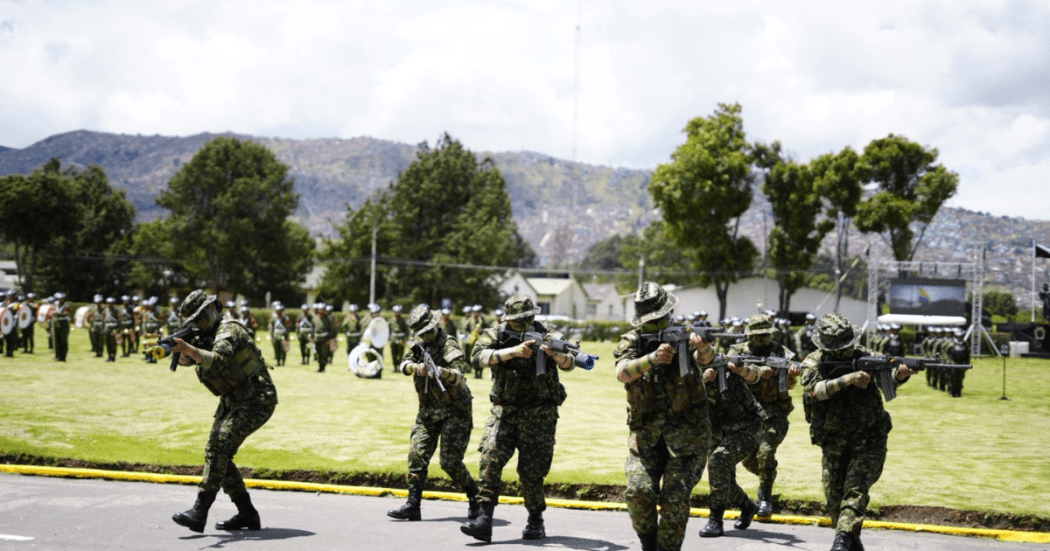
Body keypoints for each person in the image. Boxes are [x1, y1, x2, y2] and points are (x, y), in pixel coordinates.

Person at [460, 294, 576, 543]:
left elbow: (571, 362)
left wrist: (556, 355)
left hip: (540, 413)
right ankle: (484, 520)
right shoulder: (496, 334)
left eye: (528, 320)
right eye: (518, 321)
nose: (523, 326)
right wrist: (512, 352)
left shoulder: (548, 334)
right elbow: (477, 357)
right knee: (489, 459)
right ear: (508, 319)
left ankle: (536, 519)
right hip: (504, 410)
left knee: (531, 472)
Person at [801, 312, 916, 551]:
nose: (843, 351)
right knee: (834, 504)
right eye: (837, 348)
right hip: (833, 441)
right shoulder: (813, 361)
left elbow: (889, 381)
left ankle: (841, 542)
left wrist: (900, 375)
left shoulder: (867, 356)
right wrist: (848, 379)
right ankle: (850, 541)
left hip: (869, 438)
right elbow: (815, 390)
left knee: (855, 490)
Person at [167, 289, 278, 533]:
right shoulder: (205, 333)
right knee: (217, 452)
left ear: (214, 308)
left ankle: (200, 511)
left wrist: (190, 349)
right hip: (234, 399)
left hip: (257, 399)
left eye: (201, 315)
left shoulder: (229, 329)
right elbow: (194, 360)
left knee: (219, 447)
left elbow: (218, 360)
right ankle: (247, 513)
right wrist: (184, 353)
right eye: (194, 320)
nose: (199, 322)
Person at [614, 282, 714, 551]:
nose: (657, 324)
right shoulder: (632, 341)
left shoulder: (687, 332)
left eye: (660, 317)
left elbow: (706, 359)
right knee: (638, 492)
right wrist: (652, 358)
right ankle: (649, 545)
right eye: (651, 320)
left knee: (675, 498)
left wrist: (702, 346)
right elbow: (622, 372)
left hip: (688, 438)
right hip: (646, 437)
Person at [387, 304, 478, 522]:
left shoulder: (448, 344)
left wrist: (441, 371)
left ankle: (475, 497)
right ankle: (413, 505)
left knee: (450, 463)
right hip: (428, 412)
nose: (426, 336)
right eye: (422, 333)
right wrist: (415, 368)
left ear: (435, 326)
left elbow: (460, 373)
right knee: (417, 454)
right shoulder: (419, 347)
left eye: (428, 331)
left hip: (455, 412)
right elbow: (403, 364)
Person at [728, 313, 800, 519]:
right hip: (746, 415)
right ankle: (768, 475)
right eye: (759, 336)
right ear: (750, 335)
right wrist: (757, 370)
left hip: (774, 413)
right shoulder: (737, 351)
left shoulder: (781, 352)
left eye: (766, 335)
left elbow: (791, 383)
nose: (763, 340)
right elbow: (728, 371)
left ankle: (765, 497)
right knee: (749, 461)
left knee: (766, 452)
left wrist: (791, 375)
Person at [698, 327, 765, 538]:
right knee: (723, 476)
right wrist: (702, 382)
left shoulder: (728, 364)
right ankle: (747, 506)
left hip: (747, 425)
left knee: (718, 461)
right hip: (717, 430)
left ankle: (715, 521)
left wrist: (741, 371)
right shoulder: (690, 370)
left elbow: (756, 374)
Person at [50, 293, 72, 361]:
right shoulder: (55, 304)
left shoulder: (67, 305)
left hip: (63, 323)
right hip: (55, 322)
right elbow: (51, 311)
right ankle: (57, 356)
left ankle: (63, 356)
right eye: (59, 299)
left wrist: (57, 313)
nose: (60, 300)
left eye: (62, 299)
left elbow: (67, 313)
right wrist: (53, 313)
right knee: (56, 340)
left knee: (63, 340)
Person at [314, 303, 335, 372]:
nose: (321, 311)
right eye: (319, 310)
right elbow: (312, 327)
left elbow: (331, 329)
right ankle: (320, 366)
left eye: (322, 310)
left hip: (325, 338)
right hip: (317, 338)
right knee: (318, 353)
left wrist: (330, 338)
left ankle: (323, 367)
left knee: (324, 354)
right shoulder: (315, 318)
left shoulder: (328, 319)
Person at [269, 302, 292, 367]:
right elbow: (272, 327)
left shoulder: (286, 318)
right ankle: (278, 361)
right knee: (277, 349)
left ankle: (283, 362)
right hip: (276, 335)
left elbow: (288, 327)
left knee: (284, 349)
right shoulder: (274, 318)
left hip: (283, 335)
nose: (279, 312)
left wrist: (287, 336)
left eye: (280, 311)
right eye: (277, 311)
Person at [389, 304, 409, 369]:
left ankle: (400, 365)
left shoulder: (403, 321)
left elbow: (407, 331)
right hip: (393, 339)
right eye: (397, 312)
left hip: (401, 339)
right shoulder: (391, 320)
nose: (398, 313)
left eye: (399, 312)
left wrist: (407, 339)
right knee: (393, 353)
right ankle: (395, 366)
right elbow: (388, 329)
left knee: (401, 353)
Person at [103, 297, 120, 362]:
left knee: (113, 343)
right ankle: (109, 356)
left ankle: (113, 357)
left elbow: (119, 320)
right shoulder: (105, 310)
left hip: (114, 328)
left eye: (111, 303)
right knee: (107, 343)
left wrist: (117, 330)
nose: (110, 305)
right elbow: (103, 319)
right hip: (107, 329)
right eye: (109, 303)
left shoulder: (116, 311)